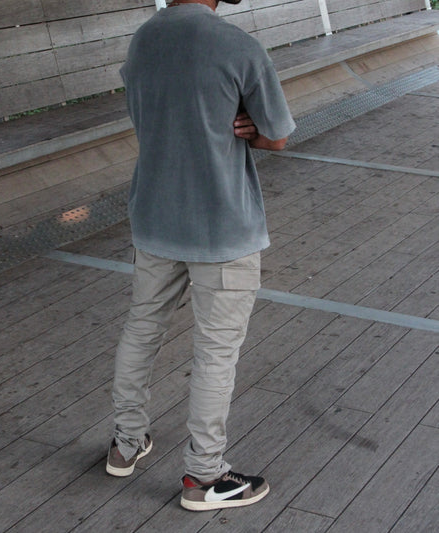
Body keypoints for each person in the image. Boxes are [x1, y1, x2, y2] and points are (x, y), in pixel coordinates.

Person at [106, 0, 296, 511]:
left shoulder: (143, 40)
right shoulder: (238, 46)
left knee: (141, 327)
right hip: (222, 227)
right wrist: (251, 130)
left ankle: (126, 443)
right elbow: (276, 136)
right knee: (215, 352)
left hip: (155, 216)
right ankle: (204, 476)